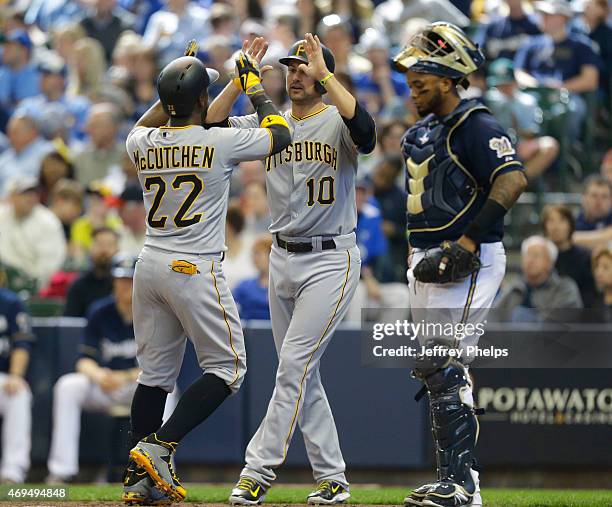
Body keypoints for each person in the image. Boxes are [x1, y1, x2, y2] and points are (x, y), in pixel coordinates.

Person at [205, 34, 376, 505]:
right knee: (302, 374)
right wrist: (240, 82)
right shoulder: (271, 121)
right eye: (292, 66)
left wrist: (326, 72)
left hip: (330, 258)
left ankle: (258, 469)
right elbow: (210, 123)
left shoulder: (334, 118)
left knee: (294, 367)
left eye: (304, 66)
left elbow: (366, 131)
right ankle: (334, 478)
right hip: (281, 258)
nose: (295, 73)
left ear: (322, 74)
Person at [123, 45, 291, 504]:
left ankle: (138, 478)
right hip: (192, 267)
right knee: (229, 367)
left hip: (150, 264)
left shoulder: (143, 141)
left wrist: (186, 85)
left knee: (154, 376)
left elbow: (145, 122)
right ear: (202, 100)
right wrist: (250, 84)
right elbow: (279, 135)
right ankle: (158, 448)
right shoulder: (217, 142)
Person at [391, 22, 527, 506]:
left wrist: (467, 242)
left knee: (445, 364)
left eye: (421, 80)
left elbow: (511, 180)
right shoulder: (425, 130)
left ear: (448, 79)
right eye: (410, 82)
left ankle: (463, 486)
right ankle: (454, 477)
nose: (412, 89)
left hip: (470, 258)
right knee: (438, 368)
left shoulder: (478, 124)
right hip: (428, 260)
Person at [46, 255, 142, 484]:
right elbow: (83, 361)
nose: (125, 285)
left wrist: (124, 376)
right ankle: (62, 470)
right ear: (113, 282)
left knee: (169, 390)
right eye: (121, 280)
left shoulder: (151, 311)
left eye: (130, 280)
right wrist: (99, 375)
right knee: (68, 386)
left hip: (138, 388)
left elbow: (162, 366)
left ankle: (161, 469)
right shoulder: (100, 311)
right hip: (105, 385)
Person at [514, 0, 601, 140]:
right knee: (519, 104)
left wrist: (560, 87)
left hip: (567, 95)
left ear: (562, 18)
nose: (542, 18)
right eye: (541, 14)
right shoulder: (530, 43)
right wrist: (538, 85)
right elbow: (519, 73)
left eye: (547, 15)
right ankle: (531, 148)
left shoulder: (582, 46)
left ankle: (566, 151)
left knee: (571, 110)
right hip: (534, 94)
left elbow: (590, 80)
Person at [484, 58, 559, 181]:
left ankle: (519, 181)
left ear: (514, 82)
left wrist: (515, 123)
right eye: (500, 85)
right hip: (494, 145)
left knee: (549, 145)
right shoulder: (488, 100)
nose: (504, 88)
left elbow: (531, 133)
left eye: (507, 84)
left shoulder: (527, 102)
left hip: (520, 145)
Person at [0, 175, 67, 288]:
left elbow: (50, 265)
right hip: (5, 281)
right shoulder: (3, 216)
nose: (30, 197)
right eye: (24, 194)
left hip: (35, 284)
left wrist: (35, 286)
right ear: (12, 196)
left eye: (34, 193)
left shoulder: (48, 221)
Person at [496, 235, 583, 320]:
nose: (530, 260)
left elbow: (559, 324)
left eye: (536, 255)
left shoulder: (564, 288)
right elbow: (492, 316)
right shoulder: (515, 287)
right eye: (527, 255)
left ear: (550, 263)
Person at [0, 285, 34, 484]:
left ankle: (13, 472)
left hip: (3, 378)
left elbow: (21, 344)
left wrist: (15, 375)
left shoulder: (10, 302)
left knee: (19, 392)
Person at [541, 204, 598, 307]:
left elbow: (591, 294)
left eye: (561, 220)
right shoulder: (539, 257)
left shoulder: (585, 257)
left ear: (570, 225)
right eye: (551, 221)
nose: (556, 227)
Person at [64, 227, 120, 317]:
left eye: (110, 245)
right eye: (99, 244)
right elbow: (71, 324)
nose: (104, 250)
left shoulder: (125, 286)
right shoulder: (78, 287)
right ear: (91, 248)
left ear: (118, 249)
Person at [0, 114, 54, 194]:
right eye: (9, 132)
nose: (9, 137)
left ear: (32, 133)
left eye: (15, 132)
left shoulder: (49, 153)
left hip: (37, 203)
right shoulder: (5, 158)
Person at [473, 0, 540, 61]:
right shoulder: (493, 25)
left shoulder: (537, 24)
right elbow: (476, 50)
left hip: (526, 71)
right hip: (497, 70)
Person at [233, 235, 273, 320]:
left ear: (272, 255)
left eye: (258, 254)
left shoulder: (283, 287)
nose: (255, 258)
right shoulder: (244, 287)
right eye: (253, 254)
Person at [573, 176, 612, 250]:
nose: (599, 201)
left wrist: (574, 238)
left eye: (604, 196)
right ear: (584, 197)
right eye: (594, 196)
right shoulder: (573, 218)